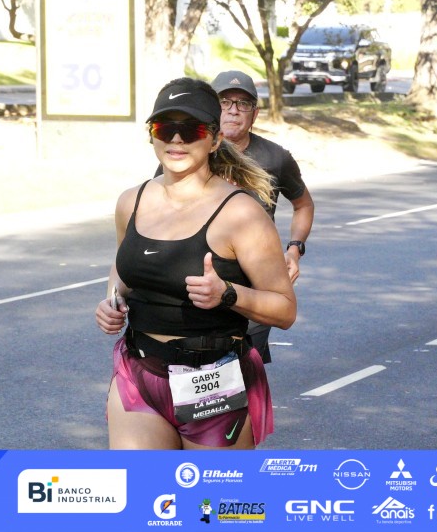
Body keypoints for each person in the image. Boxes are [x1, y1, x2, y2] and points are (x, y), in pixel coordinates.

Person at [95, 77, 297, 450]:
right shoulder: (131, 201)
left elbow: (284, 310)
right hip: (140, 370)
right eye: (165, 127)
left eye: (191, 129)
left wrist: (228, 294)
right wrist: (112, 300)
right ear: (151, 135)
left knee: (210, 491)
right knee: (140, 486)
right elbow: (123, 267)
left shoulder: (241, 213)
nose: (176, 139)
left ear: (215, 139)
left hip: (212, 379)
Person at [210, 70, 314, 361]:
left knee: (243, 366)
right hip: (202, 281)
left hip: (257, 285)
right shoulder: (192, 153)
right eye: (224, 102)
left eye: (243, 104)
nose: (233, 110)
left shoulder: (276, 157)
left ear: (254, 114)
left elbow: (304, 205)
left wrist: (294, 250)